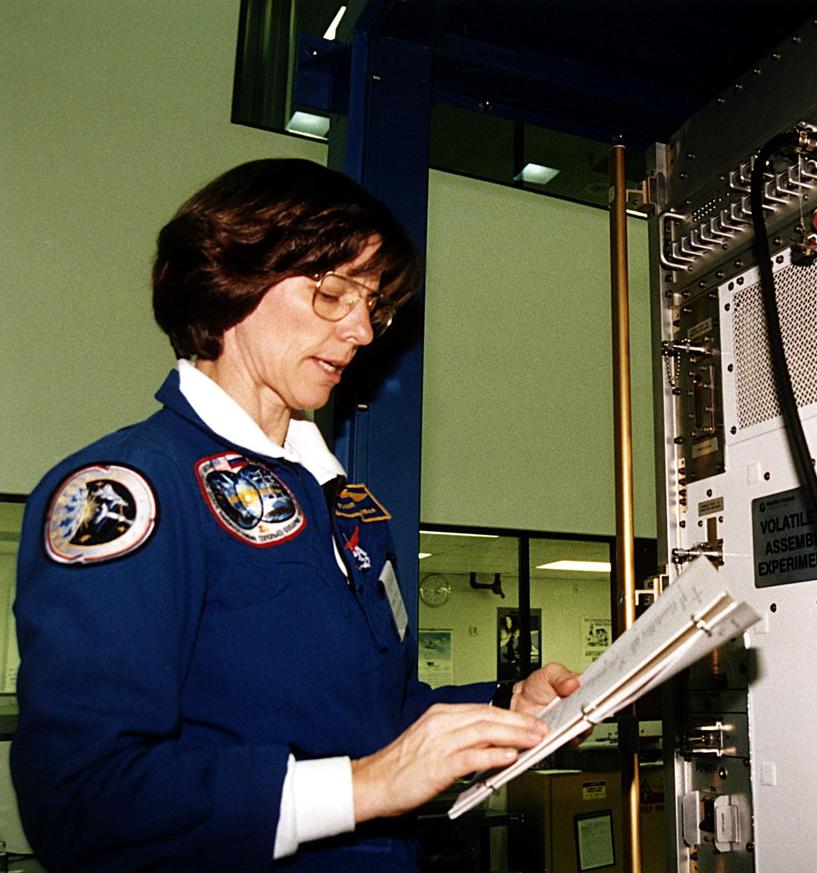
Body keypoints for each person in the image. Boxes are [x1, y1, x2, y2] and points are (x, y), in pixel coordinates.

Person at [11, 159, 580, 872]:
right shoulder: (131, 488)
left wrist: (502, 706)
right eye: (333, 292)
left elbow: (373, 715)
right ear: (229, 279)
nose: (365, 330)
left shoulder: (345, 508)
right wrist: (365, 787)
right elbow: (82, 799)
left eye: (376, 303)